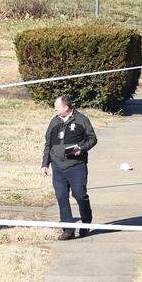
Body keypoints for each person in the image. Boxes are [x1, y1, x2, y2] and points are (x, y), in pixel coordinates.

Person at [40, 95, 98, 240]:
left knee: (80, 195)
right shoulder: (54, 122)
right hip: (58, 167)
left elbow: (92, 139)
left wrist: (81, 148)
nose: (55, 109)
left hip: (76, 166)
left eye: (57, 107)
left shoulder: (81, 120)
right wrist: (45, 164)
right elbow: (48, 144)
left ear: (66, 107)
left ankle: (86, 222)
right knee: (61, 197)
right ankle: (68, 230)